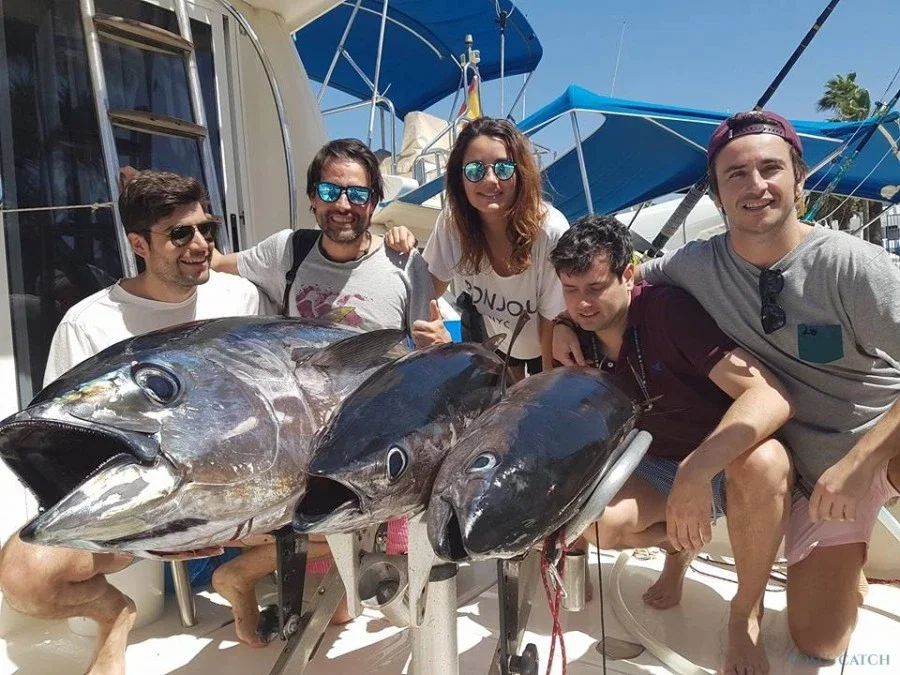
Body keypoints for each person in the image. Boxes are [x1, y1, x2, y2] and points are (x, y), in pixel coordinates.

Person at [553, 111, 900, 662]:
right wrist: (563, 321)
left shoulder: (854, 267)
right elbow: (615, 284)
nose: (755, 185)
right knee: (820, 643)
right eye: (736, 174)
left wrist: (862, 462)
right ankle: (840, 562)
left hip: (880, 442)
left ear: (799, 178)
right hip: (808, 475)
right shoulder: (694, 265)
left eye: (770, 168)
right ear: (717, 195)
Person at [0, 170, 265, 675]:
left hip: (234, 500)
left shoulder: (240, 298)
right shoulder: (89, 323)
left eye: (206, 229)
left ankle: (240, 577)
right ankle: (112, 614)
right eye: (180, 234)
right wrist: (148, 532)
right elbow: (64, 448)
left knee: (354, 506)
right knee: (25, 577)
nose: (200, 245)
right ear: (139, 244)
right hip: (143, 516)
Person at [210, 138, 445, 647]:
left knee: (352, 608)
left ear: (374, 202)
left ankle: (247, 572)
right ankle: (246, 573)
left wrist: (442, 345)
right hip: (301, 430)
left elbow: (428, 346)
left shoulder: (405, 263)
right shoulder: (287, 251)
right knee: (336, 604)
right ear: (312, 198)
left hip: (374, 435)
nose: (343, 204)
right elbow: (212, 264)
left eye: (357, 194)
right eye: (330, 191)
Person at [550, 214, 793, 675]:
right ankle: (680, 548)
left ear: (627, 275)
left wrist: (696, 470)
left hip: (723, 459)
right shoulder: (575, 332)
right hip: (655, 462)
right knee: (595, 523)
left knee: (766, 461)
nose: (583, 303)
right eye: (571, 290)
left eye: (596, 288)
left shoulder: (667, 312)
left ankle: (746, 612)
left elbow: (770, 395)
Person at [384, 117, 569, 379]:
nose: (490, 180)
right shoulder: (452, 224)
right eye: (474, 170)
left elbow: (551, 322)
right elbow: (426, 290)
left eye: (503, 168)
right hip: (499, 342)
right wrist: (402, 248)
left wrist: (546, 390)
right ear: (460, 178)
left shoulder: (550, 230)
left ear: (520, 173)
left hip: (548, 342)